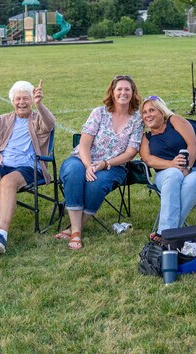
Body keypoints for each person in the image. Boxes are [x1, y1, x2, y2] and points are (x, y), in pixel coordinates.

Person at [57, 75, 143, 250]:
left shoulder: (137, 119)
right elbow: (84, 144)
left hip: (114, 165)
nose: (123, 93)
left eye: (127, 89)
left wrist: (104, 164)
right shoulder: (99, 112)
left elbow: (130, 153)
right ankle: (76, 231)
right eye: (119, 89)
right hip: (82, 158)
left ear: (133, 93)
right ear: (112, 92)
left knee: (97, 183)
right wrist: (89, 166)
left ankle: (74, 230)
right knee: (74, 172)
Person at [0, 80, 55, 254]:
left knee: (8, 182)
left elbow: (50, 124)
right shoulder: (3, 120)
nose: (22, 102)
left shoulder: (37, 119)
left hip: (28, 167)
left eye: (26, 98)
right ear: (12, 101)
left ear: (31, 100)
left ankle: (1, 234)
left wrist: (40, 105)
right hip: (1, 163)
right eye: (18, 99)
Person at [139, 96, 196, 242]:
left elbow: (192, 144)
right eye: (144, 112)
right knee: (173, 175)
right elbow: (148, 159)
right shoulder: (146, 137)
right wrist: (171, 164)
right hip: (165, 174)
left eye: (152, 110)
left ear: (161, 111)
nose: (148, 115)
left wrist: (188, 167)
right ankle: (171, 234)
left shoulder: (175, 121)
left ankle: (165, 233)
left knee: (191, 182)